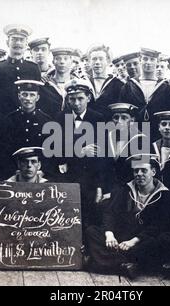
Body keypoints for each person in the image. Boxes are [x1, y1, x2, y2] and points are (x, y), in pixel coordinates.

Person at [85, 153, 170, 279]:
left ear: (153, 172)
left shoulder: (163, 195)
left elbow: (157, 225)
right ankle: (126, 264)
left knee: (157, 242)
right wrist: (109, 234)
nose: (139, 174)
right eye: (136, 171)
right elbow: (110, 213)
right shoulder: (124, 190)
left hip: (141, 239)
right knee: (91, 231)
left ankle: (107, 262)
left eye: (143, 170)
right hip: (121, 236)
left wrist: (133, 241)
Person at [54, 78, 105, 227]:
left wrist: (100, 186)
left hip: (90, 179)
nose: (76, 103)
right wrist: (80, 151)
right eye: (72, 99)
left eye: (80, 98)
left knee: (89, 218)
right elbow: (55, 152)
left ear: (88, 98)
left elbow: (102, 157)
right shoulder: (60, 118)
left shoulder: (98, 119)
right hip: (67, 178)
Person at [0, 24, 41, 115]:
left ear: (26, 44)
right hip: (2, 117)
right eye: (14, 39)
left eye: (21, 40)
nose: (18, 43)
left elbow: (37, 95)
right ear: (7, 42)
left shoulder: (33, 68)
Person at [120, 48, 170, 122]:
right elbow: (123, 111)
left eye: (152, 59)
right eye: (145, 59)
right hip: (134, 128)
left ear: (157, 61)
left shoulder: (165, 87)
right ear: (140, 60)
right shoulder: (129, 86)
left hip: (157, 129)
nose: (148, 62)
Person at [87, 45, 124, 120]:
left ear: (108, 61)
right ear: (89, 62)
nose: (97, 62)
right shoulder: (84, 83)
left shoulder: (118, 84)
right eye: (94, 59)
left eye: (101, 59)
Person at [38, 47, 75, 117]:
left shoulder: (77, 83)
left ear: (71, 62)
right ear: (53, 62)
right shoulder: (45, 84)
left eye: (65, 58)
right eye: (58, 58)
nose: (62, 62)